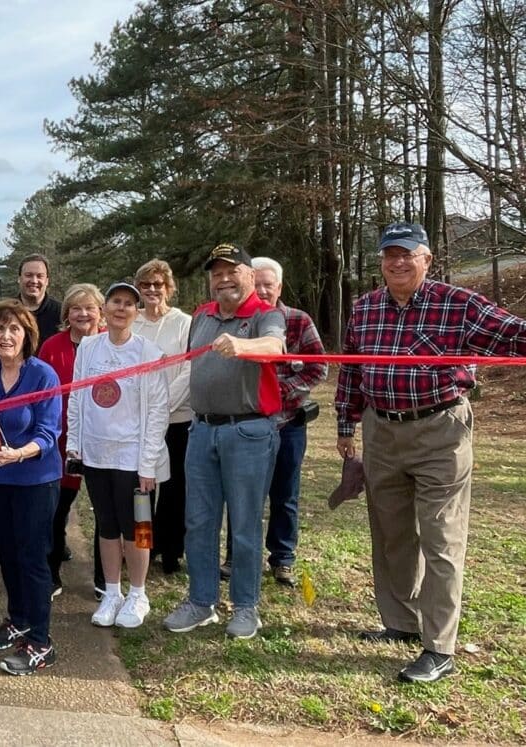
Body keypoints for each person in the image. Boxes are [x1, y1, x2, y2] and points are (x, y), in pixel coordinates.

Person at [336, 221, 526, 683]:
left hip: (441, 430)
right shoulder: (365, 308)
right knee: (392, 532)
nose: (397, 262)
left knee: (440, 537)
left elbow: (514, 335)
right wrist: (347, 425)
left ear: (427, 260)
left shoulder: (459, 305)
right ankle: (400, 622)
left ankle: (439, 647)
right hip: (382, 431)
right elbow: (351, 371)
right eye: (389, 255)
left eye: (407, 254)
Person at [163, 243, 284, 641]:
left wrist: (243, 346)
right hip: (202, 430)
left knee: (244, 524)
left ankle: (246, 607)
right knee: (198, 521)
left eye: (232, 271)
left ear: (250, 275)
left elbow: (275, 347)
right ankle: (201, 602)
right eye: (217, 273)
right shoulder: (202, 315)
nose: (224, 279)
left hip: (248, 431)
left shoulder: (266, 315)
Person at [0, 300, 62, 675]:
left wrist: (19, 454)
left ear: (26, 336)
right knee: (6, 553)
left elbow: (49, 432)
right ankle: (17, 618)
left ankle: (40, 640)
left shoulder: (43, 375)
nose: (6, 336)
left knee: (33, 557)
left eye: (14, 329)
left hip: (35, 479)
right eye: (0, 329)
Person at [67, 282, 170, 630]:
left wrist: (148, 463)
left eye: (129, 304)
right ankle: (112, 591)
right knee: (107, 526)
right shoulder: (89, 348)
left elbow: (158, 410)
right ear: (105, 308)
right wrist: (75, 445)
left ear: (136, 311)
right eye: (115, 302)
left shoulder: (148, 353)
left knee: (138, 527)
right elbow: (77, 397)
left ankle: (138, 592)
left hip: (134, 459)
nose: (121, 309)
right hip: (97, 455)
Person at [250, 256, 326, 586]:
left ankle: (282, 558)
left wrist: (281, 391)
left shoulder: (298, 320)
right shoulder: (240, 321)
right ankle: (237, 557)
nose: (262, 290)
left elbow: (318, 367)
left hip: (289, 422)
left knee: (285, 494)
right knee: (244, 494)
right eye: (256, 284)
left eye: (269, 284)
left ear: (279, 287)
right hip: (248, 423)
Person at [38, 283, 105, 598]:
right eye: (76, 308)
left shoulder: (111, 344)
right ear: (67, 313)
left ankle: (106, 580)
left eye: (89, 307)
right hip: (61, 437)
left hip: (103, 438)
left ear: (99, 312)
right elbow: (40, 390)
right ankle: (51, 573)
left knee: (106, 509)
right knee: (56, 507)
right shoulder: (52, 346)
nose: (83, 314)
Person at [132, 259, 193, 575]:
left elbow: (188, 369)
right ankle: (145, 545)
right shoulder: (131, 322)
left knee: (175, 488)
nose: (152, 290)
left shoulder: (184, 322)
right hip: (138, 422)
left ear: (168, 287)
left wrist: (162, 408)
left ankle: (172, 550)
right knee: (142, 489)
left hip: (176, 419)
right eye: (146, 285)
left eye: (158, 284)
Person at [17, 253, 62, 345]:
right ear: (19, 279)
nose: (34, 281)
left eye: (39, 276)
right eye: (28, 275)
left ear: (47, 281)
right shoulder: (6, 311)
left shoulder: (61, 313)